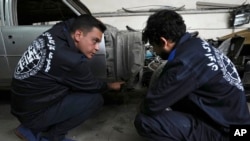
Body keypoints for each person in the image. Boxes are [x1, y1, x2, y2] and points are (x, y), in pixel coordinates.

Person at [134, 9, 250, 141]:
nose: (154, 50)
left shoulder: (184, 63)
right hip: (238, 126)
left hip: (227, 133)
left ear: (163, 41)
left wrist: (143, 104)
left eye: (154, 45)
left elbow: (151, 105)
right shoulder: (197, 44)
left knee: (146, 121)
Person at [10, 14, 124, 141]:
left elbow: (68, 23)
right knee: (95, 99)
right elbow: (93, 86)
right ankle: (52, 137)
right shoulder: (71, 60)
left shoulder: (58, 30)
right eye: (95, 41)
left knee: (71, 85)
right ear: (78, 35)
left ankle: (29, 127)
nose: (97, 48)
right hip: (32, 115)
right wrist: (110, 85)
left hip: (21, 105)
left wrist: (91, 21)